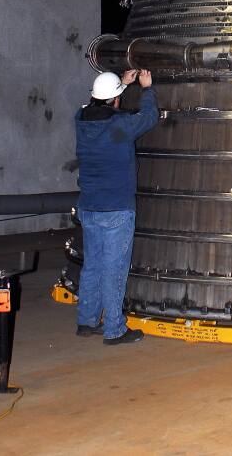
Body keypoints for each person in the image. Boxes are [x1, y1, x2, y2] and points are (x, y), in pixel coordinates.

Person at [74, 67, 158, 344]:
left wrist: (120, 84)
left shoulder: (81, 120)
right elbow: (149, 117)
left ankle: (86, 321)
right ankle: (114, 329)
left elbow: (95, 107)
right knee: (114, 270)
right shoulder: (120, 125)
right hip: (116, 209)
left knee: (93, 265)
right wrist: (146, 89)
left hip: (89, 206)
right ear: (116, 101)